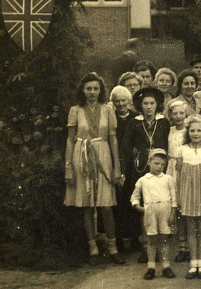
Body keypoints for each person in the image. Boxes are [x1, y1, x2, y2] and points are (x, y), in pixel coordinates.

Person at [65, 73, 126, 266]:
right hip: (81, 156)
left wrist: (117, 167)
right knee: (87, 205)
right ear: (83, 90)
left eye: (95, 89)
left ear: (101, 91)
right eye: (88, 88)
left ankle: (113, 248)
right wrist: (68, 167)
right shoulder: (75, 110)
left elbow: (113, 138)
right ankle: (93, 249)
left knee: (106, 206)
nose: (92, 92)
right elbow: (70, 139)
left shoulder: (108, 110)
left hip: (103, 155)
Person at [121, 86, 171, 263]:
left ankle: (159, 247)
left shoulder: (163, 122)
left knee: (161, 206)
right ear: (140, 105)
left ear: (157, 105)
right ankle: (147, 247)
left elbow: (167, 143)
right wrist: (138, 153)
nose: (149, 107)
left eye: (152, 103)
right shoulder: (135, 122)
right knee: (146, 207)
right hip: (141, 168)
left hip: (160, 167)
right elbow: (126, 145)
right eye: (145, 103)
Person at [175, 115, 201, 279]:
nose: (195, 133)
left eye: (199, 130)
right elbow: (178, 175)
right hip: (187, 192)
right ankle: (193, 264)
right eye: (192, 130)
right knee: (191, 229)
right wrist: (178, 195)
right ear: (188, 132)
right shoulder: (182, 149)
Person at [131, 149, 177, 280]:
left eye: (162, 164)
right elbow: (134, 197)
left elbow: (174, 197)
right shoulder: (143, 180)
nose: (159, 167)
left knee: (164, 239)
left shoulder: (168, 179)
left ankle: (166, 266)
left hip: (165, 210)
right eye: (156, 163)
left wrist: (173, 212)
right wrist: (139, 207)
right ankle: (151, 267)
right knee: (151, 240)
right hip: (150, 211)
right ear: (149, 162)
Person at [110, 85, 139, 254]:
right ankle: (119, 239)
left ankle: (135, 238)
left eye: (123, 100)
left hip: (133, 163)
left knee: (132, 198)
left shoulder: (136, 117)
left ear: (129, 101)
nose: (120, 104)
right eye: (117, 101)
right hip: (115, 162)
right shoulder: (111, 117)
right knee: (117, 202)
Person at [165, 100, 190, 263]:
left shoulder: (189, 131)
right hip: (171, 168)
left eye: (182, 113)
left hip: (186, 169)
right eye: (175, 113)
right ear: (171, 115)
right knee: (177, 208)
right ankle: (182, 247)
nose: (179, 116)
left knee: (187, 207)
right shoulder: (169, 131)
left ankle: (190, 246)